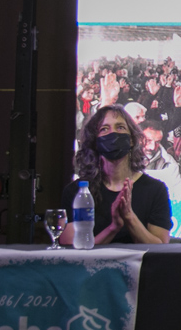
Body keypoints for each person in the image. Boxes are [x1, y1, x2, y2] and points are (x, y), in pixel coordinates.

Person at [60, 105, 172, 245]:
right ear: (95, 141)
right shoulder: (77, 191)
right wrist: (113, 228)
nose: (113, 134)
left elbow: (160, 246)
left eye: (120, 127)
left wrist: (129, 217)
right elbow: (70, 245)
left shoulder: (155, 190)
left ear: (131, 140)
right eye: (104, 129)